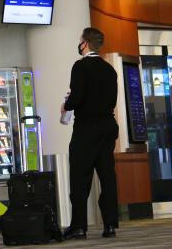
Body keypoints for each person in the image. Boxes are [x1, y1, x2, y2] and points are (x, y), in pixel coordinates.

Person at [61, 27, 119, 240]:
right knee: (107, 176)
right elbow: (111, 100)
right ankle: (110, 225)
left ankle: (79, 226)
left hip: (87, 128)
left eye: (80, 40)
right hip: (108, 126)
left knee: (80, 177)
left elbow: (76, 99)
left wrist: (66, 104)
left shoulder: (81, 66)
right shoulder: (109, 69)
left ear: (84, 43)